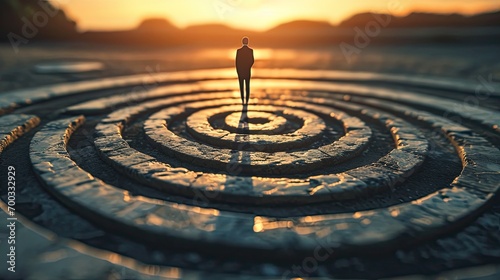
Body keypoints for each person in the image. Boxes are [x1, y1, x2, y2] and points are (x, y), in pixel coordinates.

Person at [236, 36, 254, 105]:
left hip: (240, 72)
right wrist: (247, 67)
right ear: (248, 42)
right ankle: (246, 101)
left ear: (242, 42)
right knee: (247, 86)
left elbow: (237, 63)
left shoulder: (239, 51)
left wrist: (238, 71)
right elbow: (252, 61)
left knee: (241, 87)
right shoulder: (250, 51)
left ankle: (243, 100)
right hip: (247, 72)